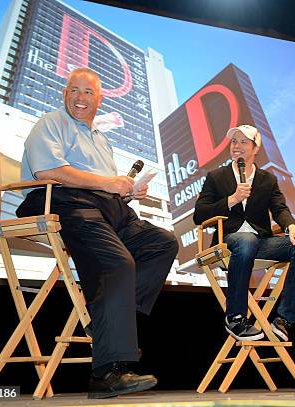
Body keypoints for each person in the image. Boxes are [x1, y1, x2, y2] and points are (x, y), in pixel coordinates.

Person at [16, 68, 179, 398]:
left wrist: (127, 192)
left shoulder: (101, 139)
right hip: (67, 202)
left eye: (88, 92)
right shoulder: (50, 122)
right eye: (73, 90)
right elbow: (48, 170)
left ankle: (106, 318)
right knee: (118, 264)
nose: (79, 97)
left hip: (108, 209)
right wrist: (107, 184)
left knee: (163, 243)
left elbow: (106, 187)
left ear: (100, 99)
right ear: (64, 94)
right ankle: (107, 374)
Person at [194, 124, 295, 342]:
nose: (237, 146)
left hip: (261, 242)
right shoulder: (216, 176)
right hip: (229, 241)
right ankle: (235, 317)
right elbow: (199, 215)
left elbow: (279, 208)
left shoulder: (266, 179)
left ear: (255, 147)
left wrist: (292, 227)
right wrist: (231, 200)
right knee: (246, 240)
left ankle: (283, 320)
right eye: (234, 141)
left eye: (243, 142)